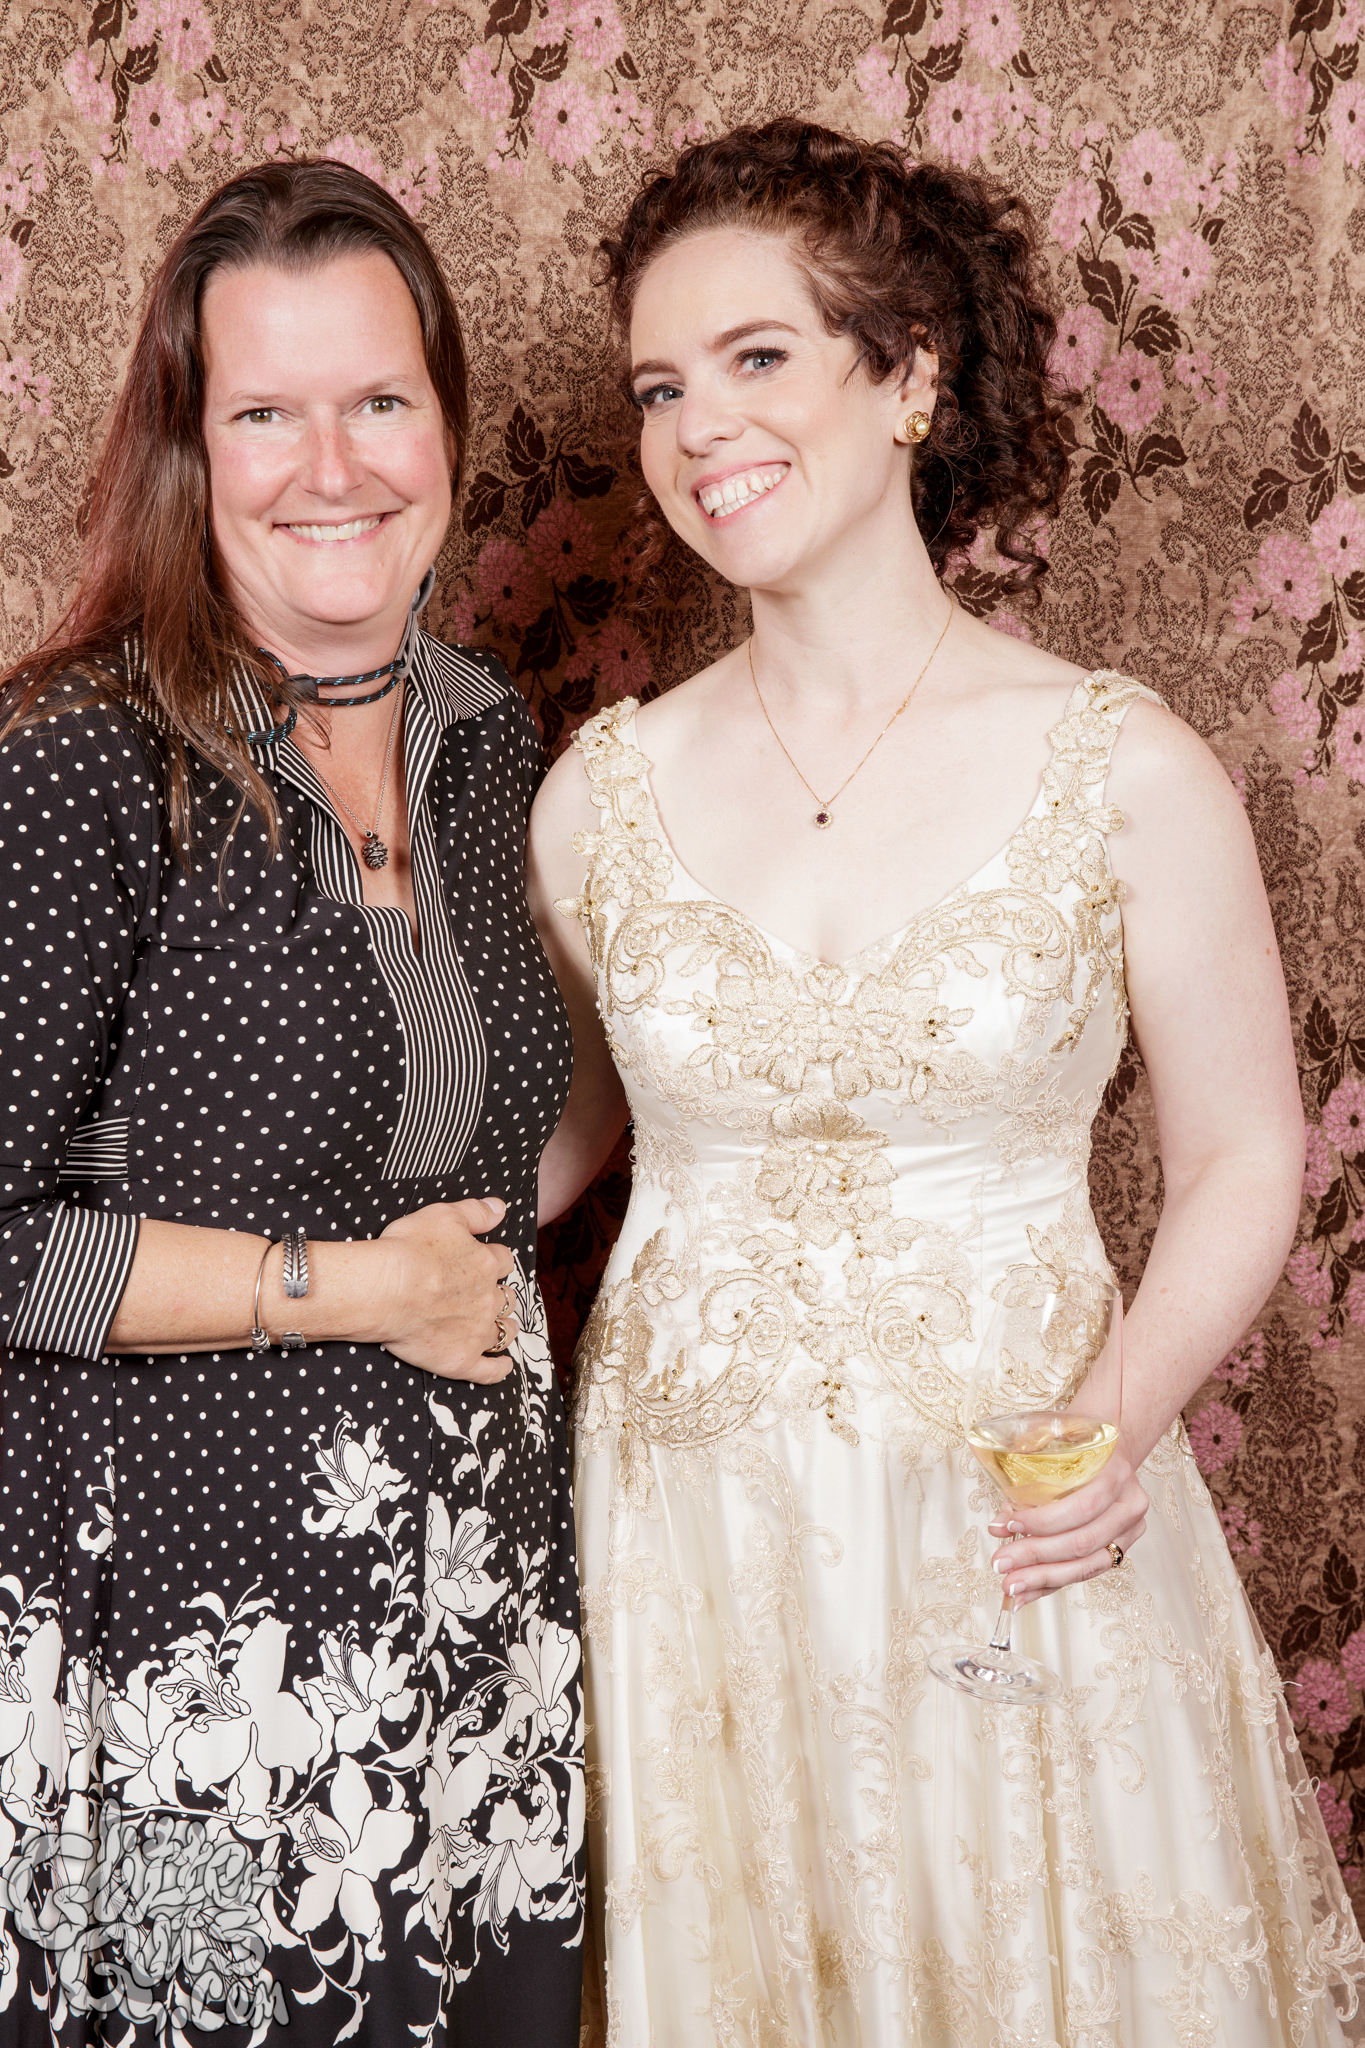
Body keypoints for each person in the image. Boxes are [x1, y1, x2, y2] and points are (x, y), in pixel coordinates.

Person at [528, 120, 1365, 2045]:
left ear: (905, 374)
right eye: (659, 386)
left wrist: (1115, 1421)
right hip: (696, 1529)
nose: (697, 428)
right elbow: (558, 1143)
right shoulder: (599, 796)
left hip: (1019, 1501)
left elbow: (1246, 1155)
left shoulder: (1121, 768)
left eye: (755, 357)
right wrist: (276, 1263)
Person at [0, 161, 583, 2045]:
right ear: (193, 450)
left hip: (473, 1616)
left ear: (446, 425)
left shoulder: (490, 739)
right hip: (197, 1655)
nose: (330, 467)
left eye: (377, 400)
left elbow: (508, 1132)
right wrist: (347, 1289)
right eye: (265, 413)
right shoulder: (87, 762)